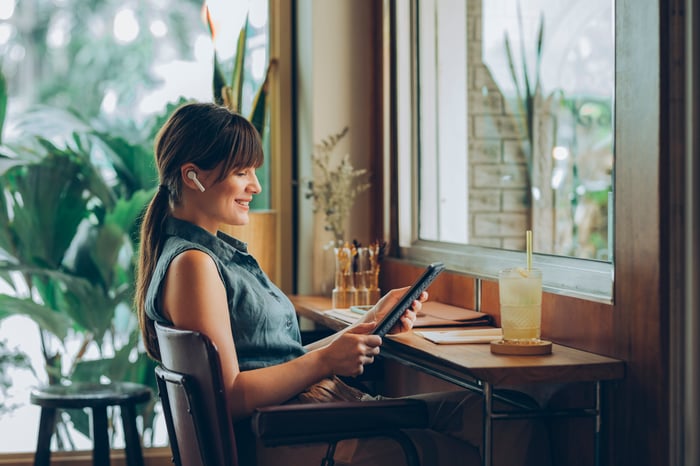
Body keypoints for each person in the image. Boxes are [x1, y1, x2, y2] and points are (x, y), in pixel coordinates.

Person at [135, 101, 550, 466]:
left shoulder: (206, 256)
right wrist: (327, 361)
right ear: (193, 177)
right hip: (296, 431)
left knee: (509, 410)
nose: (255, 187)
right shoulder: (194, 265)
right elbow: (231, 396)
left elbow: (271, 362)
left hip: (310, 414)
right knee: (499, 425)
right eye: (242, 172)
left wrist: (366, 326)